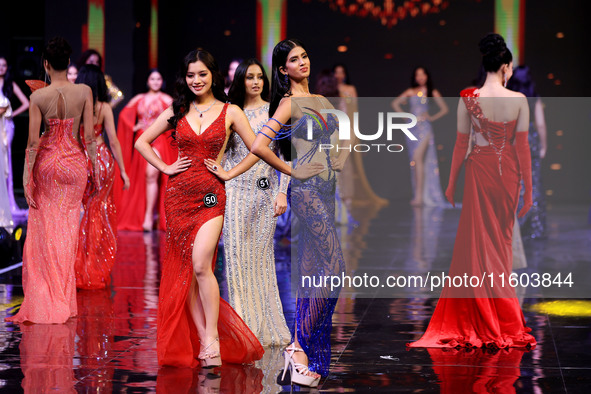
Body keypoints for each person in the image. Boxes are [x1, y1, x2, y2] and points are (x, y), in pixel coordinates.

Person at [134, 49, 264, 367]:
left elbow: (258, 148)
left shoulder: (231, 111)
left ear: (213, 75)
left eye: (202, 74)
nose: (196, 80)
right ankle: (205, 336)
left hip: (210, 197)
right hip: (178, 197)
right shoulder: (177, 110)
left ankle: (212, 339)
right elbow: (141, 141)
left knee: (202, 264)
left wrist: (230, 173)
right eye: (190, 75)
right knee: (186, 272)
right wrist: (165, 167)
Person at [407, 33, 536, 349]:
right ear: (505, 67)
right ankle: (503, 318)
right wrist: (528, 191)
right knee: (502, 247)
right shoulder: (519, 101)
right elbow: (522, 149)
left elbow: (460, 145)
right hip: (509, 179)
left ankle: (484, 314)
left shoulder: (468, 97)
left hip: (479, 173)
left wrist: (451, 183)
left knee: (479, 245)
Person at [251, 38, 347, 387]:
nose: (302, 62)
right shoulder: (288, 104)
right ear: (283, 69)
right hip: (306, 191)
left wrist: (341, 158)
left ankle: (301, 354)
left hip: (327, 187)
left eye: (305, 56)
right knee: (336, 267)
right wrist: (291, 174)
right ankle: (297, 348)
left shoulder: (321, 100)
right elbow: (261, 145)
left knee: (312, 270)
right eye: (294, 59)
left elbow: (343, 133)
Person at [5, 37, 96, 324]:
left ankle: (48, 296)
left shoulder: (38, 97)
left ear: (46, 64)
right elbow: (90, 137)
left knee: (44, 232)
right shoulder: (84, 91)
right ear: (68, 63)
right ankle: (63, 298)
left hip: (47, 163)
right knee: (67, 231)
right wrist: (92, 169)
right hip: (74, 163)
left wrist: (25, 177)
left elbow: (32, 143)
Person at [225, 58, 291, 347]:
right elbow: (225, 154)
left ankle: (263, 327)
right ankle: (242, 328)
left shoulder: (274, 112)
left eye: (260, 77)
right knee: (236, 261)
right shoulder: (231, 112)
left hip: (264, 193)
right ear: (240, 80)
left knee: (261, 262)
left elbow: (286, 155)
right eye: (249, 77)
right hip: (234, 194)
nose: (255, 82)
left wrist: (282, 191)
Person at [74, 64, 130, 289]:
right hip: (104, 161)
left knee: (82, 212)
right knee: (100, 213)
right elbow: (114, 141)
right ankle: (94, 265)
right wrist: (124, 171)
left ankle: (79, 267)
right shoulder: (105, 107)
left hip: (81, 160)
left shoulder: (74, 107)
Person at [115, 69, 176, 231]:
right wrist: (133, 127)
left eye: (158, 78)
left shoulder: (167, 99)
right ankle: (148, 216)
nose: (155, 81)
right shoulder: (139, 98)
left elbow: (178, 116)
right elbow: (123, 115)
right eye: (152, 78)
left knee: (151, 174)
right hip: (143, 140)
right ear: (148, 81)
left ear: (161, 81)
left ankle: (149, 216)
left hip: (159, 140)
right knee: (143, 177)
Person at [392, 66, 449, 206]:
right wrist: (405, 117)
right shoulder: (411, 92)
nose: (420, 77)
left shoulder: (431, 92)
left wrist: (431, 118)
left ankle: (419, 197)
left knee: (418, 157)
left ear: (427, 76)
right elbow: (395, 103)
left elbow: (445, 109)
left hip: (425, 128)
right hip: (412, 129)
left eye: (423, 74)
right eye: (418, 75)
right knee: (416, 160)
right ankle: (419, 195)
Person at [507, 65, 547, 239]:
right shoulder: (534, 98)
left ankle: (515, 225)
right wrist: (544, 145)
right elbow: (540, 124)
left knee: (516, 183)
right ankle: (535, 227)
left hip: (515, 140)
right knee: (533, 182)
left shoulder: (510, 98)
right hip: (531, 141)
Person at [0, 55, 30, 222]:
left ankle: (8, 203)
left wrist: (11, 115)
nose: (1, 68)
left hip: (5, 127)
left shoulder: (10, 84)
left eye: (4, 65)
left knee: (5, 161)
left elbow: (26, 102)